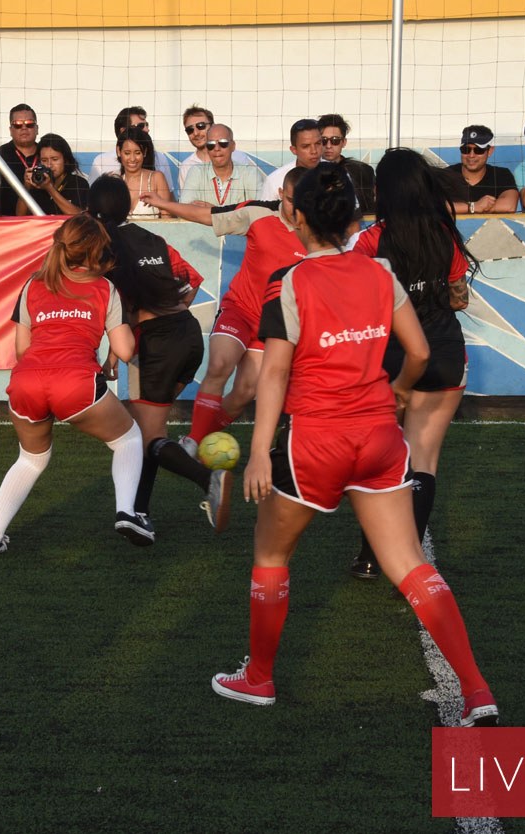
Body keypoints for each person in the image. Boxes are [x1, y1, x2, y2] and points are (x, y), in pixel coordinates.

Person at [211, 162, 498, 728]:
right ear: (353, 219)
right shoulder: (379, 275)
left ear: (294, 215)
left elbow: (273, 375)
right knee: (411, 566)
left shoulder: (290, 282)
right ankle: (477, 689)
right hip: (379, 440)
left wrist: (260, 451)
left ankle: (259, 678)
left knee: (271, 556)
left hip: (315, 442)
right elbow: (416, 354)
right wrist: (393, 392)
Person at [0, 214, 148, 556]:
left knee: (31, 459)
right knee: (128, 439)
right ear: (96, 251)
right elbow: (126, 350)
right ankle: (127, 512)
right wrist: (111, 351)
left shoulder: (33, 285)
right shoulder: (104, 288)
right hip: (76, 384)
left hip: (25, 383)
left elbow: (22, 350)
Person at [346, 149, 478, 581]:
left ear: (383, 191)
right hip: (443, 352)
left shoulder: (370, 241)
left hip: (393, 359)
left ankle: (369, 555)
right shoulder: (444, 233)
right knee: (423, 461)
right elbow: (460, 298)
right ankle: (407, 563)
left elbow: (354, 303)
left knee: (380, 460)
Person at [87, 176, 231, 538]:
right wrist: (172, 312)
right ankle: (140, 512)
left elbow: (110, 304)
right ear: (129, 206)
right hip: (187, 334)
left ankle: (209, 481)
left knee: (148, 437)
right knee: (148, 431)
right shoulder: (153, 239)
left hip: (156, 344)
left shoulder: (102, 248)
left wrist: (114, 351)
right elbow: (192, 280)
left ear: (91, 210)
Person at [142, 168, 308, 458]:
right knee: (219, 364)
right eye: (293, 200)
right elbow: (211, 216)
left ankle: (202, 437)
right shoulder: (258, 214)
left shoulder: (315, 233)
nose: (299, 209)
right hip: (239, 310)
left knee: (244, 393)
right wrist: (164, 203)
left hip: (271, 326)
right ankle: (192, 443)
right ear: (281, 195)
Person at [179, 124, 265, 206]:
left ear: (233, 146)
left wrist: (213, 210)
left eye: (223, 143)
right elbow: (187, 209)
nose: (217, 148)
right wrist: (236, 212)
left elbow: (258, 211)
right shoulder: (196, 172)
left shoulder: (250, 173)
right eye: (211, 144)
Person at [175, 105, 254, 195]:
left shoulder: (239, 158)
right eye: (190, 130)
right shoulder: (187, 166)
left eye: (201, 126)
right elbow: (187, 205)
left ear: (213, 126)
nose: (196, 133)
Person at [447, 125, 518, 215]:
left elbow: (509, 206)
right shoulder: (447, 174)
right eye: (466, 149)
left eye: (478, 150)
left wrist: (459, 208)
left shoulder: (501, 174)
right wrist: (474, 207)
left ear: (490, 151)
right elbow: (436, 206)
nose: (471, 155)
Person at [87, 107, 171, 181]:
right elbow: (93, 196)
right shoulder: (102, 161)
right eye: (141, 126)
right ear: (123, 130)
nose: (147, 130)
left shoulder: (160, 158)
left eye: (147, 125)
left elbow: (169, 196)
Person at [14, 133, 89, 216]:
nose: (49, 165)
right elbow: (20, 216)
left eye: (55, 159)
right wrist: (26, 187)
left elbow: (78, 216)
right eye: (44, 160)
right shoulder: (37, 183)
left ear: (66, 160)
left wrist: (50, 189)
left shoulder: (78, 183)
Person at [317, 113, 376, 215]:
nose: (329, 145)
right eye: (324, 140)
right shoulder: (306, 170)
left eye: (335, 140)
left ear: (344, 142)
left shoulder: (363, 171)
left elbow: (370, 209)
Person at [116, 126, 172, 218]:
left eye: (137, 153)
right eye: (127, 153)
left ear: (144, 152)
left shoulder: (156, 178)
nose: (132, 159)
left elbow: (167, 219)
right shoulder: (114, 181)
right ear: (119, 151)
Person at [260, 118, 322, 201]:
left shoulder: (336, 173)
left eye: (318, 143)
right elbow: (266, 213)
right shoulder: (275, 181)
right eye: (306, 146)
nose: (314, 151)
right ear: (294, 150)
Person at [0, 103, 41, 182]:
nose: (24, 128)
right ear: (10, 130)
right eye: (18, 124)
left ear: (36, 128)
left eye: (29, 124)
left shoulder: (47, 154)